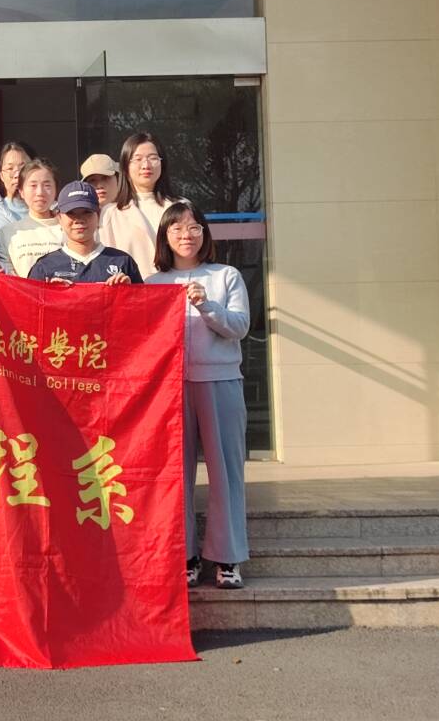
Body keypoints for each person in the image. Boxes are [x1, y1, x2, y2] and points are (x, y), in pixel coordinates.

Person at [148, 201, 251, 590]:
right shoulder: (153, 283)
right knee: (176, 475)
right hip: (170, 389)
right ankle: (185, 555)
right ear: (165, 237)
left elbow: (240, 326)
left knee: (226, 474)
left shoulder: (226, 276)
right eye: (176, 229)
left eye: (194, 228)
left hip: (220, 381)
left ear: (205, 234)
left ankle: (227, 559)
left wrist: (206, 305)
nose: (186, 235)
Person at [99, 132, 181, 280]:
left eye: (153, 158)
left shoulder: (182, 207)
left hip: (173, 289)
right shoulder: (111, 213)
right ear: (125, 166)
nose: (146, 165)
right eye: (137, 159)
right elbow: (106, 263)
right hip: (131, 289)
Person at [29, 181, 142, 285]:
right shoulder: (45, 267)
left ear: (98, 215)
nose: (79, 219)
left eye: (87, 212)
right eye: (71, 213)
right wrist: (50, 295)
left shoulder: (123, 262)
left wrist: (128, 292)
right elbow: (29, 300)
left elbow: (142, 300)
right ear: (59, 218)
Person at [0, 158, 63, 277]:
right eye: (33, 185)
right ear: (21, 191)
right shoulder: (8, 233)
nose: (40, 192)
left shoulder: (69, 228)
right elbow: (6, 275)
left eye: (47, 185)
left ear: (56, 189)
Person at [0, 141, 35, 235]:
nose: (17, 174)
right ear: (2, 176)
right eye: (10, 169)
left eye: (23, 167)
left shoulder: (53, 214)